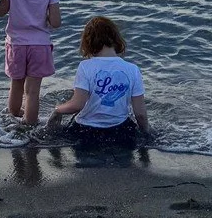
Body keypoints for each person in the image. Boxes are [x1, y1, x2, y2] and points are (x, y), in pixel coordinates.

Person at [46, 15, 149, 147]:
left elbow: (77, 105)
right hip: (120, 130)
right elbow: (140, 114)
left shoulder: (85, 66)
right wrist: (147, 134)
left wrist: (57, 110)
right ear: (116, 38)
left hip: (86, 130)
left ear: (88, 42)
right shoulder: (133, 69)